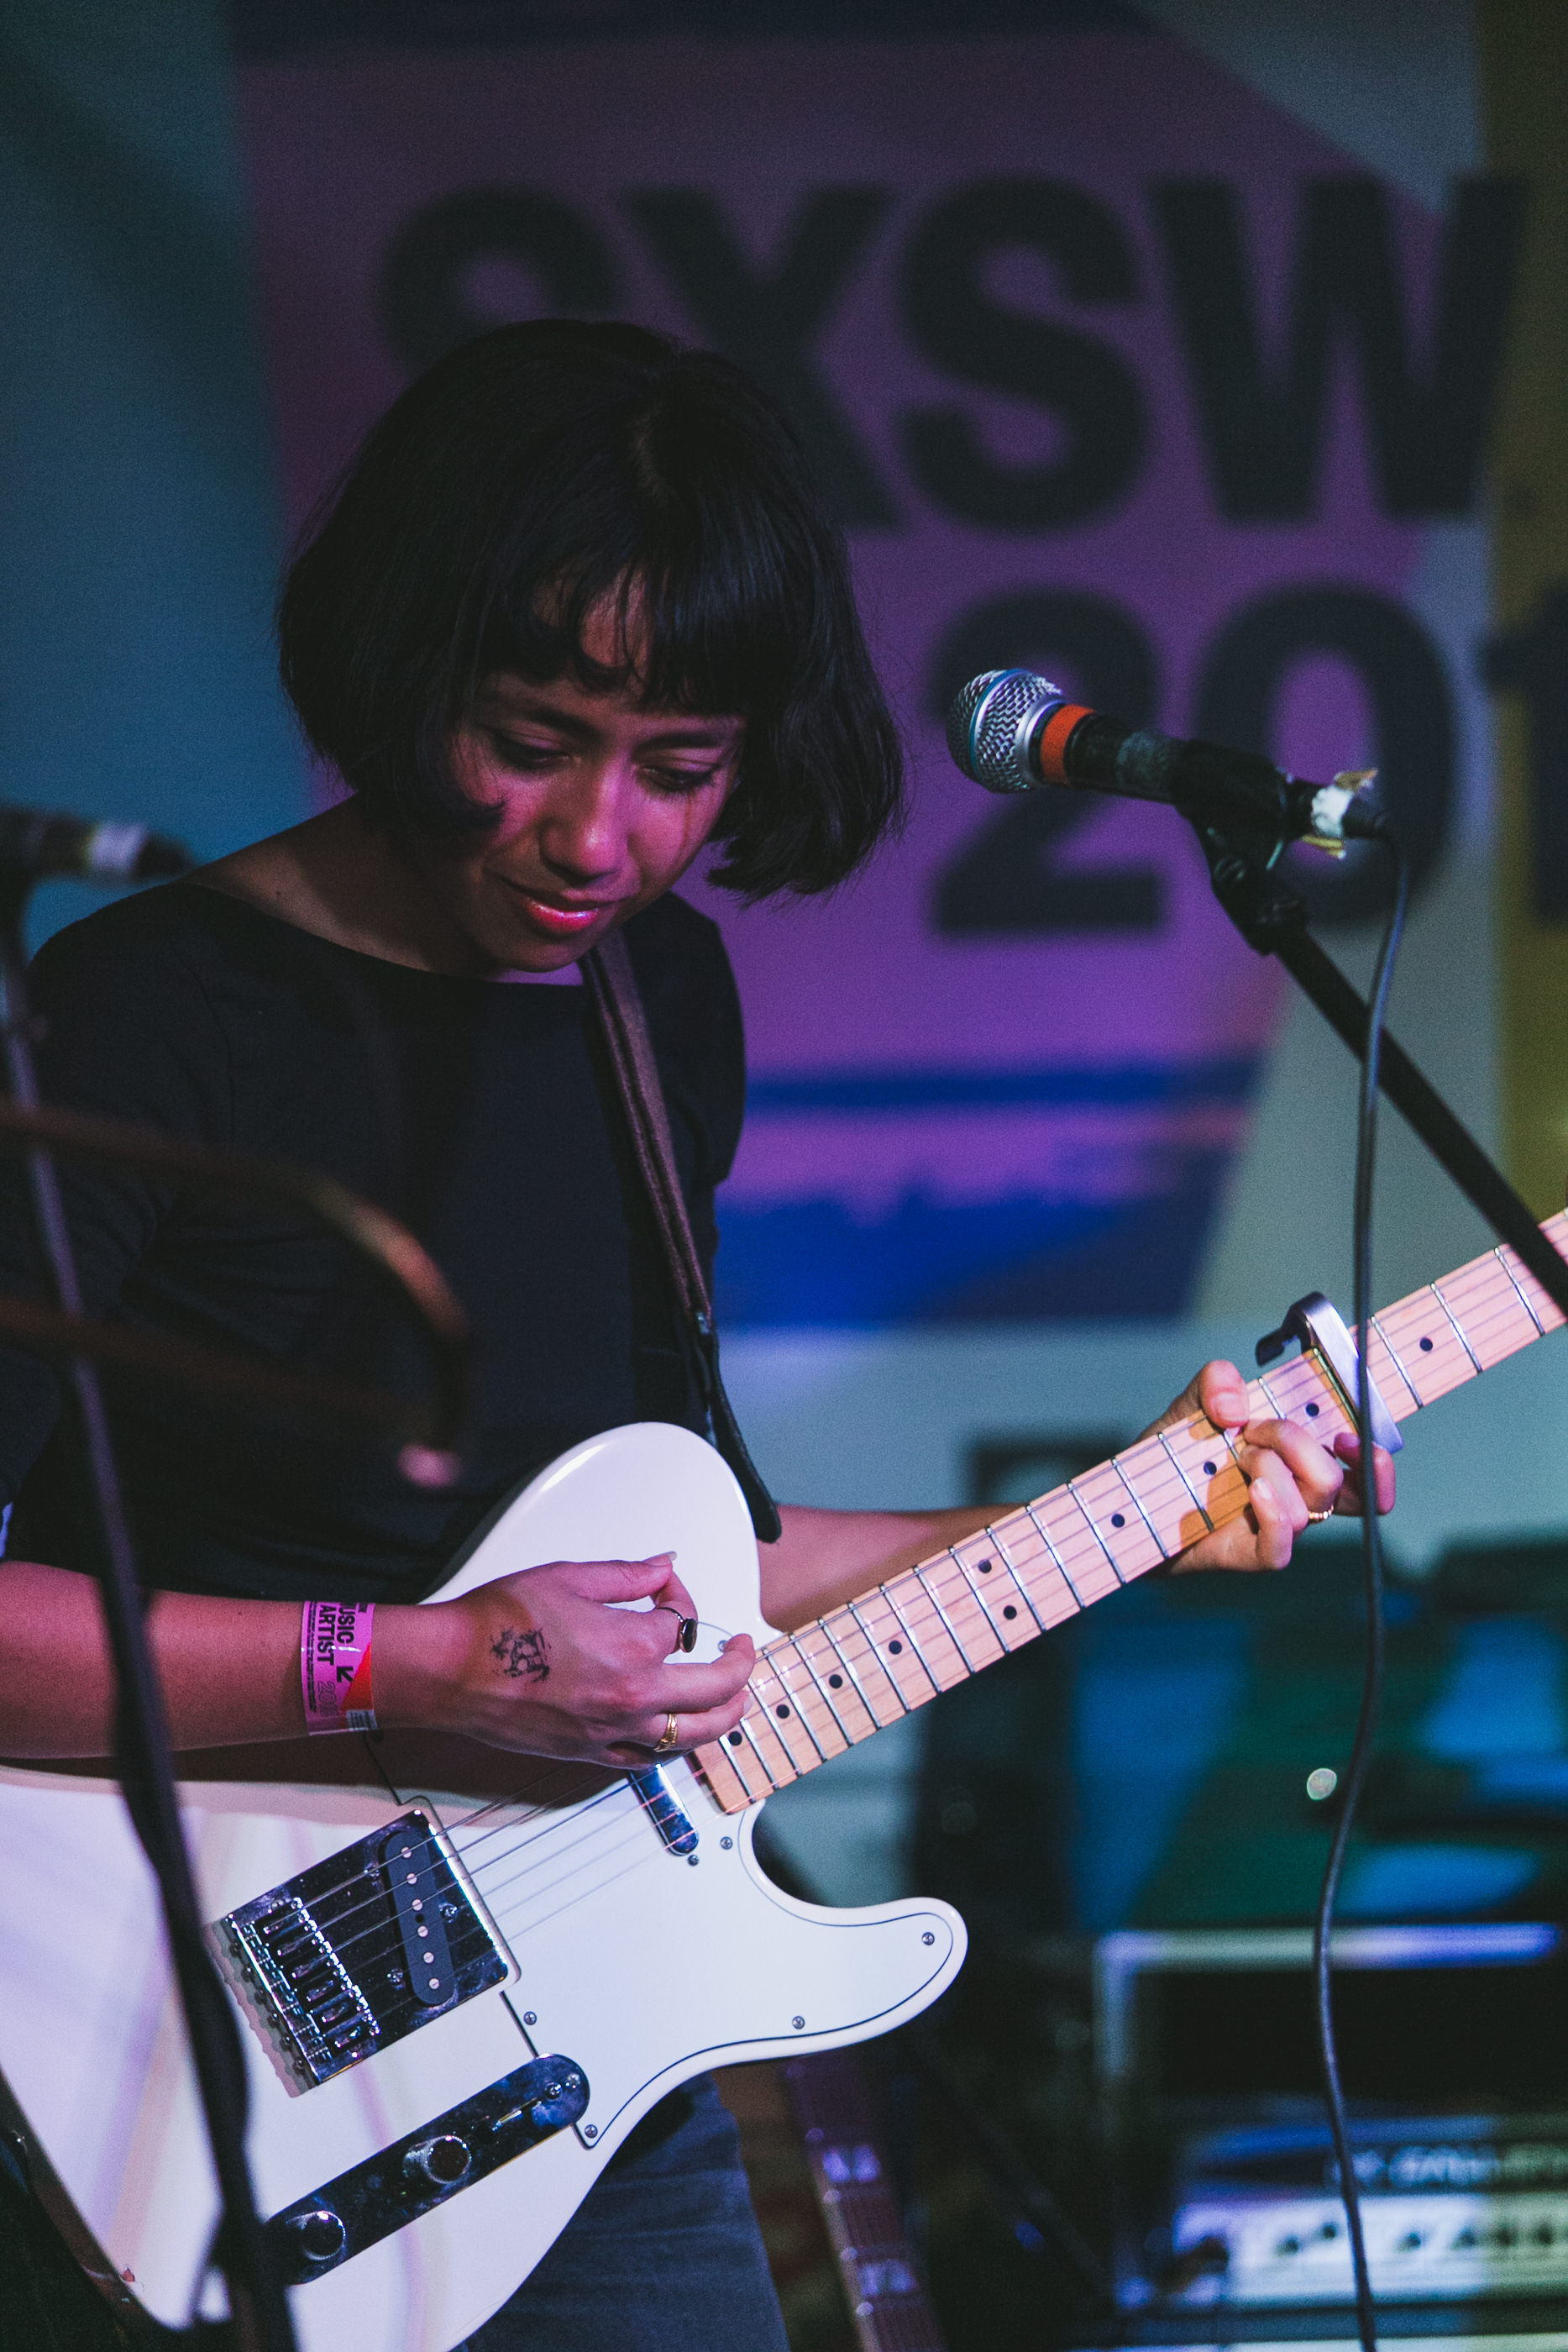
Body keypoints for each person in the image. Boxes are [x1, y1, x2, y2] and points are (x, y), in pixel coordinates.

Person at [0, 321, 1392, 2350]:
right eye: (531, 737)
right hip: (155, 2043)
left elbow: (706, 1555)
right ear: (406, 669)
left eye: (679, 768)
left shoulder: (658, 1003)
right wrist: (424, 1662)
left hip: (567, 2060)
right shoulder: (136, 1019)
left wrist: (1144, 1512)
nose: (596, 836)